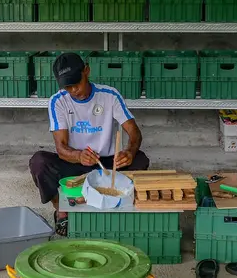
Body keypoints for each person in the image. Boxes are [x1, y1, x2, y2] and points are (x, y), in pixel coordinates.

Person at [29, 52, 151, 209]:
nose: (74, 90)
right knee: (39, 163)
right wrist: (78, 156)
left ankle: (116, 203)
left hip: (108, 164)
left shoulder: (109, 95)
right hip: (75, 163)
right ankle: (61, 209)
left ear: (86, 71)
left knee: (140, 160)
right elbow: (61, 148)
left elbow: (134, 132)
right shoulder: (58, 101)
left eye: (76, 83)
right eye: (68, 86)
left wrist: (129, 152)